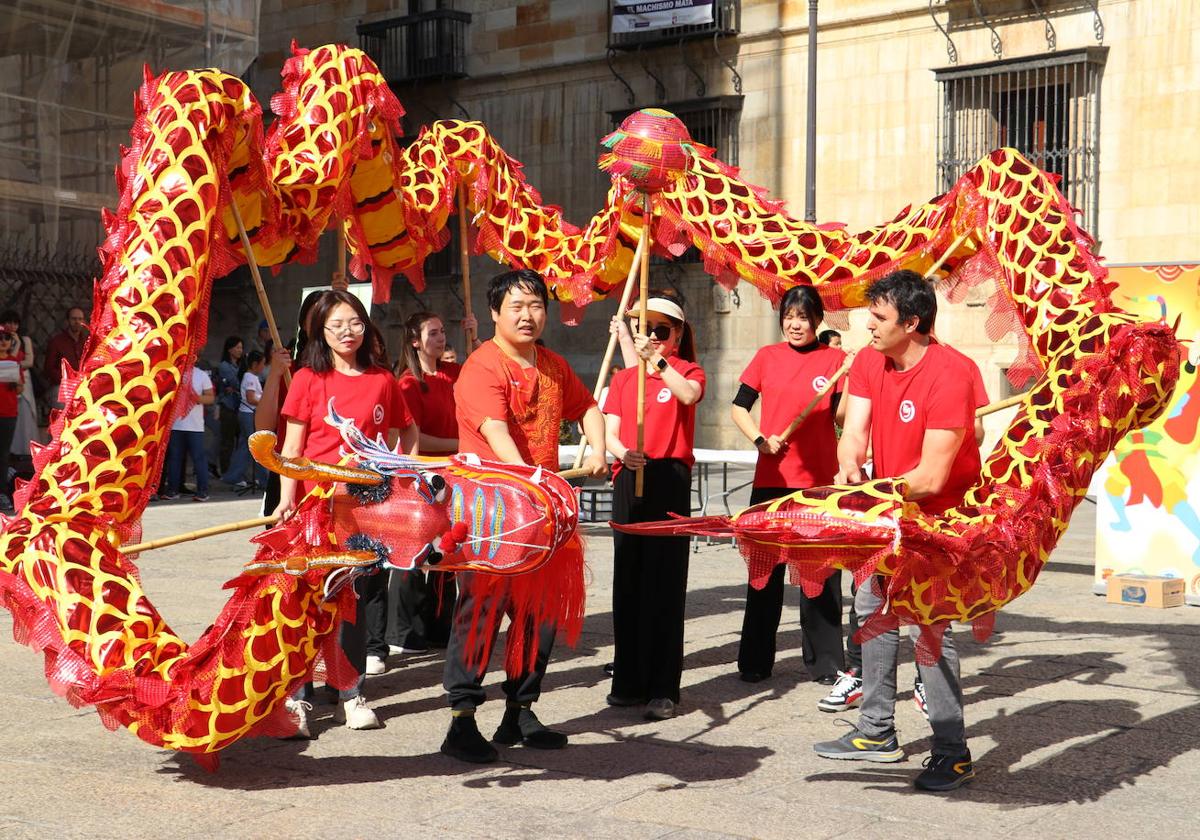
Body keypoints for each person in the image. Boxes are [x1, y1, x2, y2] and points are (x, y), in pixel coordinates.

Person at [813, 269, 982, 793]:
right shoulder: (869, 359)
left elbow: (931, 479)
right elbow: (854, 431)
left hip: (939, 517)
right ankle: (874, 729)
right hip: (886, 511)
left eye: (880, 318)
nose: (869, 325)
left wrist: (875, 492)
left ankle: (952, 752)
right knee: (870, 609)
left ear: (913, 322)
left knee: (927, 628)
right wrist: (849, 467)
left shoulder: (952, 374)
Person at [440, 268, 607, 764]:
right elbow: (498, 435)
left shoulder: (553, 365)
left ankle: (520, 710)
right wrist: (530, 482)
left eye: (535, 305)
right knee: (480, 616)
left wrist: (597, 448)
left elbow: (589, 407)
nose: (527, 315)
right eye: (516, 306)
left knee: (541, 617)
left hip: (544, 517)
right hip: (491, 516)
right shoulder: (481, 366)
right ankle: (461, 720)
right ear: (495, 313)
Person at [274, 290, 417, 734]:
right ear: (318, 331)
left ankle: (350, 692)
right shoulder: (305, 380)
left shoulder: (381, 380)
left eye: (354, 322)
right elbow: (292, 450)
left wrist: (402, 476)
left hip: (364, 511)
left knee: (352, 605)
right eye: (336, 325)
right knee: (306, 604)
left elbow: (408, 433)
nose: (347, 332)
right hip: (314, 510)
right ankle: (297, 698)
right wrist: (286, 500)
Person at [731, 286, 848, 686]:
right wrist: (760, 440)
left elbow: (845, 419)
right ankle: (755, 660)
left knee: (821, 574)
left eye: (803, 317)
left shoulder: (835, 361)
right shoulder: (766, 357)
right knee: (764, 574)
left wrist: (853, 379)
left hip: (819, 483)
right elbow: (739, 406)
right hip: (772, 479)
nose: (795, 324)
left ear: (817, 321)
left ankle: (827, 663)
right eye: (789, 316)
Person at [603, 290, 705, 721]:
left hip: (669, 479)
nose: (653, 338)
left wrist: (659, 363)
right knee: (628, 582)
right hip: (630, 474)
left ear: (677, 336)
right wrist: (622, 451)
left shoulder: (685, 368)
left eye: (662, 332)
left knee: (665, 584)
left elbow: (689, 396)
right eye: (647, 330)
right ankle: (628, 680)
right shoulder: (626, 379)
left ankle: (664, 686)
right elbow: (609, 430)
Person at [391, 310, 478, 655]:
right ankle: (402, 631)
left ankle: (439, 625)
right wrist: (460, 445)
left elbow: (482, 374)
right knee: (414, 551)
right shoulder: (408, 383)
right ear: (415, 341)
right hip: (424, 473)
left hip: (455, 471)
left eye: (443, 331)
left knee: (450, 546)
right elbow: (416, 436)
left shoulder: (453, 372)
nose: (441, 338)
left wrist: (475, 337)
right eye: (433, 333)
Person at [160, 363, 215, 501]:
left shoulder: (201, 375)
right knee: (174, 459)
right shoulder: (174, 373)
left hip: (195, 427)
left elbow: (211, 397)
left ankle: (203, 491)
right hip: (176, 424)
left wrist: (196, 398)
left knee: (198, 459)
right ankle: (173, 490)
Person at [221, 351, 267, 490]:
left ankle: (233, 475)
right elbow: (251, 398)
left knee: (245, 447)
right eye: (262, 364)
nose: (263, 367)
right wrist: (266, 401)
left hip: (247, 414)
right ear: (255, 364)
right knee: (254, 447)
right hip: (249, 414)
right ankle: (263, 479)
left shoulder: (250, 376)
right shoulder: (251, 377)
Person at [1, 310, 38, 472]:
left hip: (21, 377)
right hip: (6, 378)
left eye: (15, 323)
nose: (12, 326)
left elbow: (29, 361)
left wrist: (12, 366)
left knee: (24, 412)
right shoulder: (3, 339)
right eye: (9, 322)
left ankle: (22, 451)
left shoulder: (23, 339)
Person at [42, 306, 88, 409]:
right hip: (62, 387)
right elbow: (49, 369)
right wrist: (68, 380)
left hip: (84, 386)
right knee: (64, 412)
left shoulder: (87, 342)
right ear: (68, 320)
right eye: (74, 319)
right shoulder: (57, 342)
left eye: (80, 319)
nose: (77, 322)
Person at [0, 329, 25, 512]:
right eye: (0, 338)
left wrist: (16, 381)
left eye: (7, 338)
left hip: (8, 413)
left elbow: (19, 390)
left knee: (3, 453)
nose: (3, 341)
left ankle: (1, 491)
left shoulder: (15, 362)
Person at [215, 337, 244, 474]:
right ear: (229, 349)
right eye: (237, 347)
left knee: (238, 441)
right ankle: (225, 470)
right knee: (227, 441)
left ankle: (235, 470)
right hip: (228, 406)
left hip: (239, 406)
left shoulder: (239, 366)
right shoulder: (224, 366)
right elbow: (236, 383)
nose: (240, 351)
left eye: (241, 348)